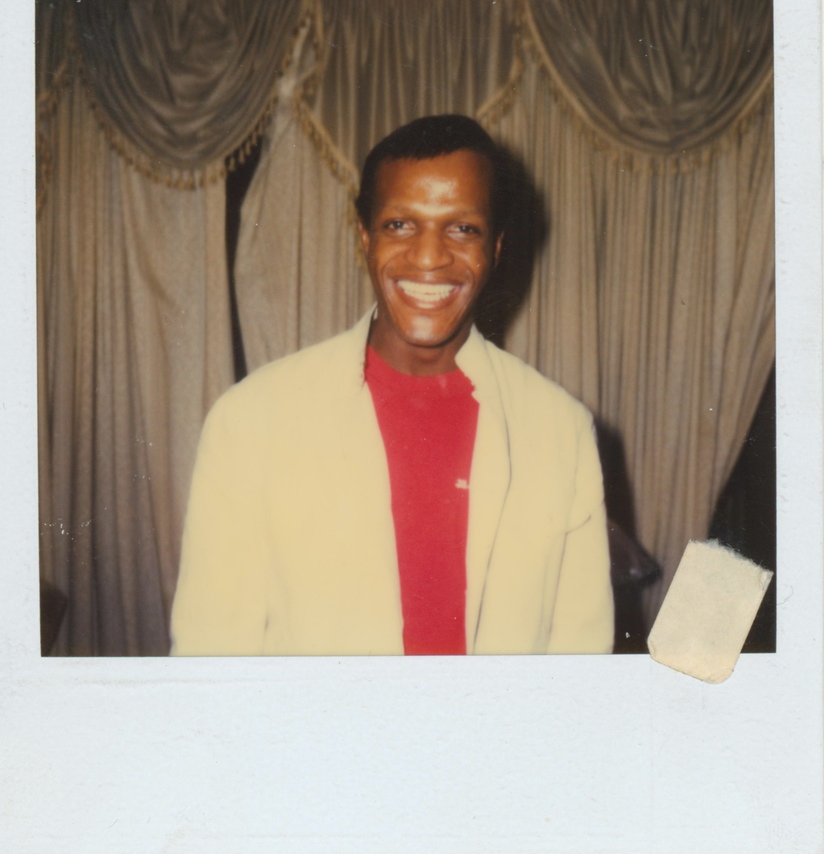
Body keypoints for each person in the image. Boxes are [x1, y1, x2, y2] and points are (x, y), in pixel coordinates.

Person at [170, 114, 614, 656]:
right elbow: (209, 664)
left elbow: (580, 666)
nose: (429, 258)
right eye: (400, 225)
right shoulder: (250, 422)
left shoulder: (560, 431)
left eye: (462, 228)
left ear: (495, 249)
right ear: (364, 236)